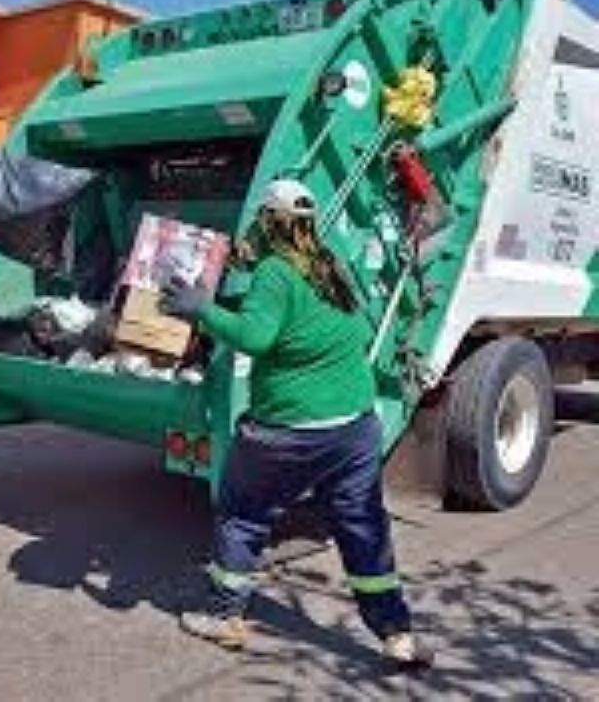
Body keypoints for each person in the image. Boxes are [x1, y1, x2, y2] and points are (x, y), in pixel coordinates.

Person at [161, 178, 432, 669]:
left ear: (269, 219)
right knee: (362, 525)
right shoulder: (329, 263)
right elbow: (322, 319)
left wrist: (203, 309)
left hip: (289, 432)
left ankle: (226, 617)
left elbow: (257, 336)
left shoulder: (274, 273)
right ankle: (397, 633)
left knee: (243, 514)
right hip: (353, 427)